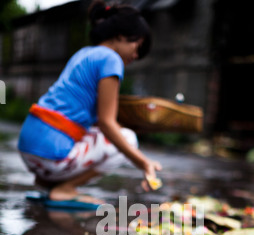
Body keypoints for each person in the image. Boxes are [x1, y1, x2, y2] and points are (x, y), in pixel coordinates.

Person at [18, 0, 162, 209]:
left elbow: (91, 118)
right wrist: (144, 163)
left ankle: (51, 183)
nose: (136, 55)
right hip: (50, 153)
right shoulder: (111, 60)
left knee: (118, 135)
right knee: (128, 139)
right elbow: (106, 123)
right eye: (137, 46)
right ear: (121, 35)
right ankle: (64, 189)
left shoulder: (84, 54)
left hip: (29, 146)